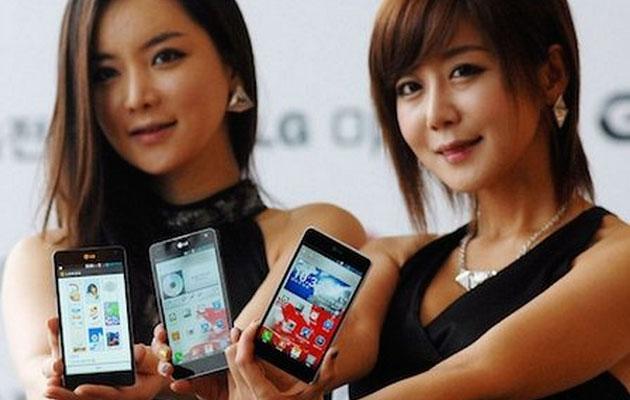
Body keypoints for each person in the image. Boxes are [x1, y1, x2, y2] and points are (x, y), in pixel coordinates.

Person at [224, 0, 630, 399]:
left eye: (464, 71)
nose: (436, 114)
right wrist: (245, 375)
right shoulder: (395, 258)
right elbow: (331, 343)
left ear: (551, 75)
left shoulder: (617, 259)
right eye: (410, 87)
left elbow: (480, 375)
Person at [0, 1, 365, 399]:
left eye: (165, 57)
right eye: (105, 74)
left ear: (231, 64)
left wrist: (160, 380)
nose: (136, 97)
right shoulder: (45, 258)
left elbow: (250, 378)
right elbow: (44, 380)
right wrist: (60, 380)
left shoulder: (315, 233)